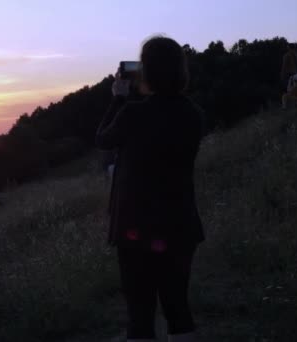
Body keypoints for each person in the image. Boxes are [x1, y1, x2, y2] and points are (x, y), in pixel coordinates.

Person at [96, 36, 204, 342]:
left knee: (140, 314)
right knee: (178, 308)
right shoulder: (193, 114)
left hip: (136, 229)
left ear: (147, 72)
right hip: (180, 225)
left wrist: (117, 98)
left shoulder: (133, 114)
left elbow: (102, 139)